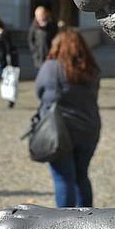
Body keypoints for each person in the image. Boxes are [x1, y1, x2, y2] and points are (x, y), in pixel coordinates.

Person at [34, 28, 101, 208]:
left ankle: (65, 219)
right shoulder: (90, 68)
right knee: (81, 176)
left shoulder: (51, 67)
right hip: (88, 128)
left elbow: (39, 92)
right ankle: (88, 217)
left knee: (63, 178)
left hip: (58, 130)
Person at [28, 5, 59, 71]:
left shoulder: (52, 25)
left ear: (45, 14)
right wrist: (34, 51)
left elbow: (56, 38)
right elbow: (30, 40)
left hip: (49, 55)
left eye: (41, 15)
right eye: (38, 15)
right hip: (38, 56)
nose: (40, 17)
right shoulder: (34, 26)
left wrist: (53, 50)